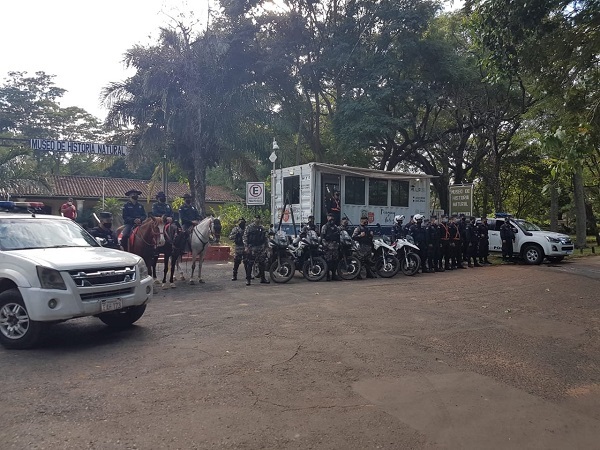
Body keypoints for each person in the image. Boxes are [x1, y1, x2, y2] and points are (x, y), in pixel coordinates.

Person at [243, 215, 270, 285]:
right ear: (253, 219)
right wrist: (246, 247)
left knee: (262, 263)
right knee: (250, 263)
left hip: (260, 248)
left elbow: (266, 238)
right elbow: (245, 237)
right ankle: (248, 280)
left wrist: (267, 247)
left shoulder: (262, 228)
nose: (257, 220)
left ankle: (263, 278)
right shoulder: (249, 227)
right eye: (256, 218)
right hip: (252, 248)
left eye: (258, 218)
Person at [321, 211, 341, 281]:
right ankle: (327, 275)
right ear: (327, 218)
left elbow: (338, 236)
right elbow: (323, 237)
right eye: (330, 217)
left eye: (332, 217)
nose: (331, 218)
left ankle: (334, 275)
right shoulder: (325, 226)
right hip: (328, 246)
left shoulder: (336, 227)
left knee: (335, 261)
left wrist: (338, 243)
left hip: (335, 246)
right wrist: (325, 245)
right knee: (328, 261)